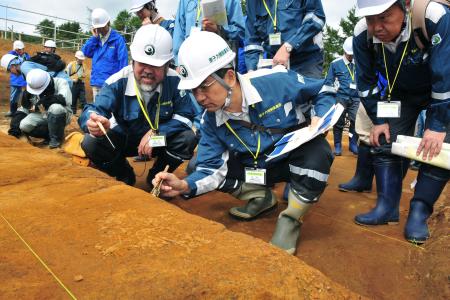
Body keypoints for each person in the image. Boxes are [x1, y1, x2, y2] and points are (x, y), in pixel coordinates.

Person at [153, 31, 335, 255]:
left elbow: (323, 89)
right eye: (193, 90)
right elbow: (211, 168)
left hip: (287, 161)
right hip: (254, 166)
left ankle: (290, 219)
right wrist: (184, 185)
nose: (199, 97)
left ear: (229, 77)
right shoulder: (210, 119)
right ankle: (260, 197)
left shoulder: (276, 81)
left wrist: (321, 115)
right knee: (196, 167)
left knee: (318, 154)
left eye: (204, 86)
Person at [353, 0, 449, 244]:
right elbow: (365, 84)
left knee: (440, 150)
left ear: (405, 5)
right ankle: (386, 206)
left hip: (443, 91)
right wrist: (379, 119)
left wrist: (437, 125)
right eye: (370, 19)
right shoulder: (362, 34)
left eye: (384, 17)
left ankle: (419, 212)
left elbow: (445, 75)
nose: (376, 28)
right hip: (401, 95)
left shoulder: (433, 17)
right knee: (384, 139)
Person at [78, 25, 197, 187]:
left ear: (167, 65)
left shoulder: (176, 82)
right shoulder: (117, 82)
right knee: (91, 142)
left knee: (187, 138)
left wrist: (158, 132)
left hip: (157, 141)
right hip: (124, 143)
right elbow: (93, 109)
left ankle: (156, 177)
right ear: (133, 61)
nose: (148, 71)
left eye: (155, 66)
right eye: (142, 63)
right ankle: (124, 174)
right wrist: (92, 122)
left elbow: (186, 116)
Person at [245, 0, 325, 78]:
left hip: (306, 60)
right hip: (275, 62)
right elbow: (252, 40)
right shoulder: (252, 2)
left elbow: (316, 17)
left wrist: (289, 46)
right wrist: (251, 70)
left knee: (306, 90)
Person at [172, 0, 245, 63]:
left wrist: (219, 29)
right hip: (192, 62)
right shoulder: (184, 1)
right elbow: (179, 34)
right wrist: (178, 62)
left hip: (220, 61)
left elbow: (241, 32)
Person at [82, 8, 128, 102]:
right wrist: (94, 38)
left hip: (111, 84)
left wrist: (121, 84)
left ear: (108, 23)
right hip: (96, 83)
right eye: (98, 27)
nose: (100, 29)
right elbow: (86, 52)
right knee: (98, 112)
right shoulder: (96, 40)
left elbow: (123, 63)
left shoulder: (118, 40)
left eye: (102, 26)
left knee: (110, 114)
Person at [323, 37, 360, 156]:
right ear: (344, 51)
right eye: (349, 54)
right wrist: (330, 98)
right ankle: (338, 145)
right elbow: (328, 82)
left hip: (356, 98)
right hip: (340, 98)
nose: (351, 56)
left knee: (355, 122)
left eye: (352, 54)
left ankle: (352, 143)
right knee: (339, 122)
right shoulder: (335, 64)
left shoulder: (359, 63)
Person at [19, 69, 72, 148]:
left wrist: (43, 101)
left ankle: (56, 141)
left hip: (62, 114)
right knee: (24, 125)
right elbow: (25, 107)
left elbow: (63, 99)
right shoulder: (34, 85)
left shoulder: (61, 82)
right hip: (42, 114)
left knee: (56, 108)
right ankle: (49, 136)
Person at [5, 40, 30, 117]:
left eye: (20, 49)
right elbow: (9, 67)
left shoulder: (27, 56)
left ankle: (26, 110)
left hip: (25, 79)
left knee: (27, 95)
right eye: (17, 49)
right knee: (14, 96)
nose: (19, 51)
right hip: (15, 80)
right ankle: (13, 111)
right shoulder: (11, 56)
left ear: (23, 48)